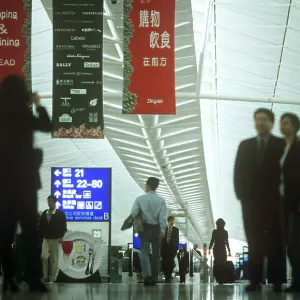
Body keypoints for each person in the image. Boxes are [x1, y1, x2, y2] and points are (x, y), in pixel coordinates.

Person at [0, 75, 52, 293]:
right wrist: (38, 104)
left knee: (5, 233)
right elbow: (47, 125)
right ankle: (33, 280)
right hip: (26, 185)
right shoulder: (24, 114)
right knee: (30, 232)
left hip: (3, 184)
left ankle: (9, 278)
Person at [234, 108, 285, 292]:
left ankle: (277, 281)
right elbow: (238, 172)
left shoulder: (281, 144)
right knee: (254, 242)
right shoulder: (245, 145)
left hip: (276, 203)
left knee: (276, 241)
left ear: (272, 123)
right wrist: (242, 196)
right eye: (257, 119)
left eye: (264, 119)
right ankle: (254, 280)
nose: (260, 122)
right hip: (251, 203)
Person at [131, 177, 167, 286]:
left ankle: (147, 276)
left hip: (144, 228)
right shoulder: (161, 200)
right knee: (156, 254)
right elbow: (162, 217)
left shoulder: (140, 199)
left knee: (144, 253)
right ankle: (154, 277)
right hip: (156, 228)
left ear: (147, 185)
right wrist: (162, 230)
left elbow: (134, 214)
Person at [279, 113, 300, 293]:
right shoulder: (279, 147)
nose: (283, 126)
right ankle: (296, 279)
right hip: (283, 203)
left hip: (296, 202)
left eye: (286, 123)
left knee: (295, 241)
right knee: (288, 241)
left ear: (294, 126)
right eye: (282, 123)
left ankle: (297, 280)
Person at [40, 195, 67, 283]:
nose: (49, 203)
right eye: (48, 201)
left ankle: (53, 276)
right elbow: (41, 226)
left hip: (56, 238)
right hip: (46, 238)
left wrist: (61, 236)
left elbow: (63, 226)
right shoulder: (45, 213)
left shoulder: (60, 213)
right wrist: (41, 236)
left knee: (54, 259)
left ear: (55, 202)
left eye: (51, 201)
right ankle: (45, 275)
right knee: (44, 256)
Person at [161, 216, 179, 283]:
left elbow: (177, 240)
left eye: (173, 220)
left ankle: (168, 276)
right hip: (164, 248)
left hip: (172, 249)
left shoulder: (176, 229)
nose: (172, 222)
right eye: (171, 220)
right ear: (168, 221)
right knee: (164, 263)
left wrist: (176, 250)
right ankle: (166, 275)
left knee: (170, 263)